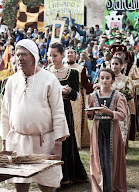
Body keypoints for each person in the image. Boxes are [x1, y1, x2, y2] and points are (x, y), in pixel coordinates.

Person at [0, 39, 69, 192]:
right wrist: (5, 143)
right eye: (17, 55)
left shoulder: (49, 80)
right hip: (18, 142)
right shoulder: (11, 81)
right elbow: (5, 114)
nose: (20, 58)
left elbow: (58, 113)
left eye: (24, 54)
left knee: (47, 185)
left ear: (34, 56)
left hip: (44, 143)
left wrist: (58, 144)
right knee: (20, 184)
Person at [48, 42, 88, 188]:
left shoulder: (72, 73)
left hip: (65, 110)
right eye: (50, 55)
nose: (52, 58)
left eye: (55, 55)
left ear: (62, 55)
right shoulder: (46, 72)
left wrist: (69, 91)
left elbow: (76, 97)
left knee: (65, 141)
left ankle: (68, 175)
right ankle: (52, 175)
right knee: (51, 141)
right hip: (49, 111)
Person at [87, 68, 127, 192]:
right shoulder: (93, 96)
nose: (104, 81)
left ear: (113, 80)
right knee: (98, 158)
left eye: (107, 78)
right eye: (102, 78)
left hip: (112, 130)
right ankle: (99, 186)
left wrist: (108, 112)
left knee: (112, 157)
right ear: (98, 78)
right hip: (97, 128)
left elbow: (122, 115)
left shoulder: (118, 96)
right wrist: (90, 112)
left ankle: (113, 185)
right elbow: (91, 116)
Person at [64, 47, 93, 149]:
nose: (70, 55)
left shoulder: (81, 68)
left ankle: (76, 142)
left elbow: (85, 83)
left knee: (76, 120)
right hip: (63, 97)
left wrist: (94, 87)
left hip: (77, 98)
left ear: (75, 55)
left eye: (72, 53)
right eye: (68, 53)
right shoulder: (61, 68)